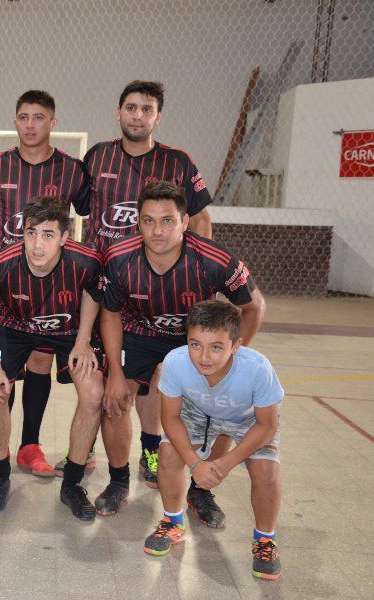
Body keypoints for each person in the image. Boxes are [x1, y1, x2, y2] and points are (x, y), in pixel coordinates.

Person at [96, 180, 265, 522]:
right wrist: (114, 371)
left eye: (168, 220)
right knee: (113, 402)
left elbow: (255, 307)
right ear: (138, 222)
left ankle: (201, 491)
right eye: (148, 220)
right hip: (138, 331)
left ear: (185, 222)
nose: (157, 230)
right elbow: (110, 312)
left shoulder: (214, 260)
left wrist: (228, 361)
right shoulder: (119, 258)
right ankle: (118, 481)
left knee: (216, 410)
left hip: (192, 338)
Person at [83, 80, 214, 488]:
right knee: (98, 375)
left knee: (158, 378)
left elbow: (202, 220)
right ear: (119, 112)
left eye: (147, 109)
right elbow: (78, 210)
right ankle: (87, 448)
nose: (138, 115)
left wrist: (198, 276)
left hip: (160, 291)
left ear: (158, 116)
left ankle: (150, 449)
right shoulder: (97, 157)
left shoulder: (178, 162)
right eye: (131, 107)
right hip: (106, 289)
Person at [0, 89, 92, 478]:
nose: (30, 124)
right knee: (2, 366)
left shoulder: (72, 169)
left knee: (41, 358)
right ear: (15, 121)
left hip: (50, 280)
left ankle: (30, 445)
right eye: (23, 117)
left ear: (53, 123)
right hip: (6, 280)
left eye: (39, 117)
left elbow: (89, 211)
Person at [143, 299, 283, 581]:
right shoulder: (175, 362)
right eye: (195, 344)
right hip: (198, 411)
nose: (204, 356)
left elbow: (267, 425)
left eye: (216, 347)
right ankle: (172, 521)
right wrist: (196, 464)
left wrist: (225, 463)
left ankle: (265, 540)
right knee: (168, 454)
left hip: (247, 420)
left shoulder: (258, 368)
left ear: (236, 345)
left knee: (267, 473)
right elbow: (170, 419)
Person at [0, 197, 104, 514]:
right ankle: (0, 477)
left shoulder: (86, 261)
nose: (37, 244)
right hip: (14, 325)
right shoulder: (1, 263)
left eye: (48, 235)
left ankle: (72, 485)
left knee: (93, 395)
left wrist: (84, 339)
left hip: (68, 329)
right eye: (31, 233)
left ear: (65, 237)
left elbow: (92, 292)